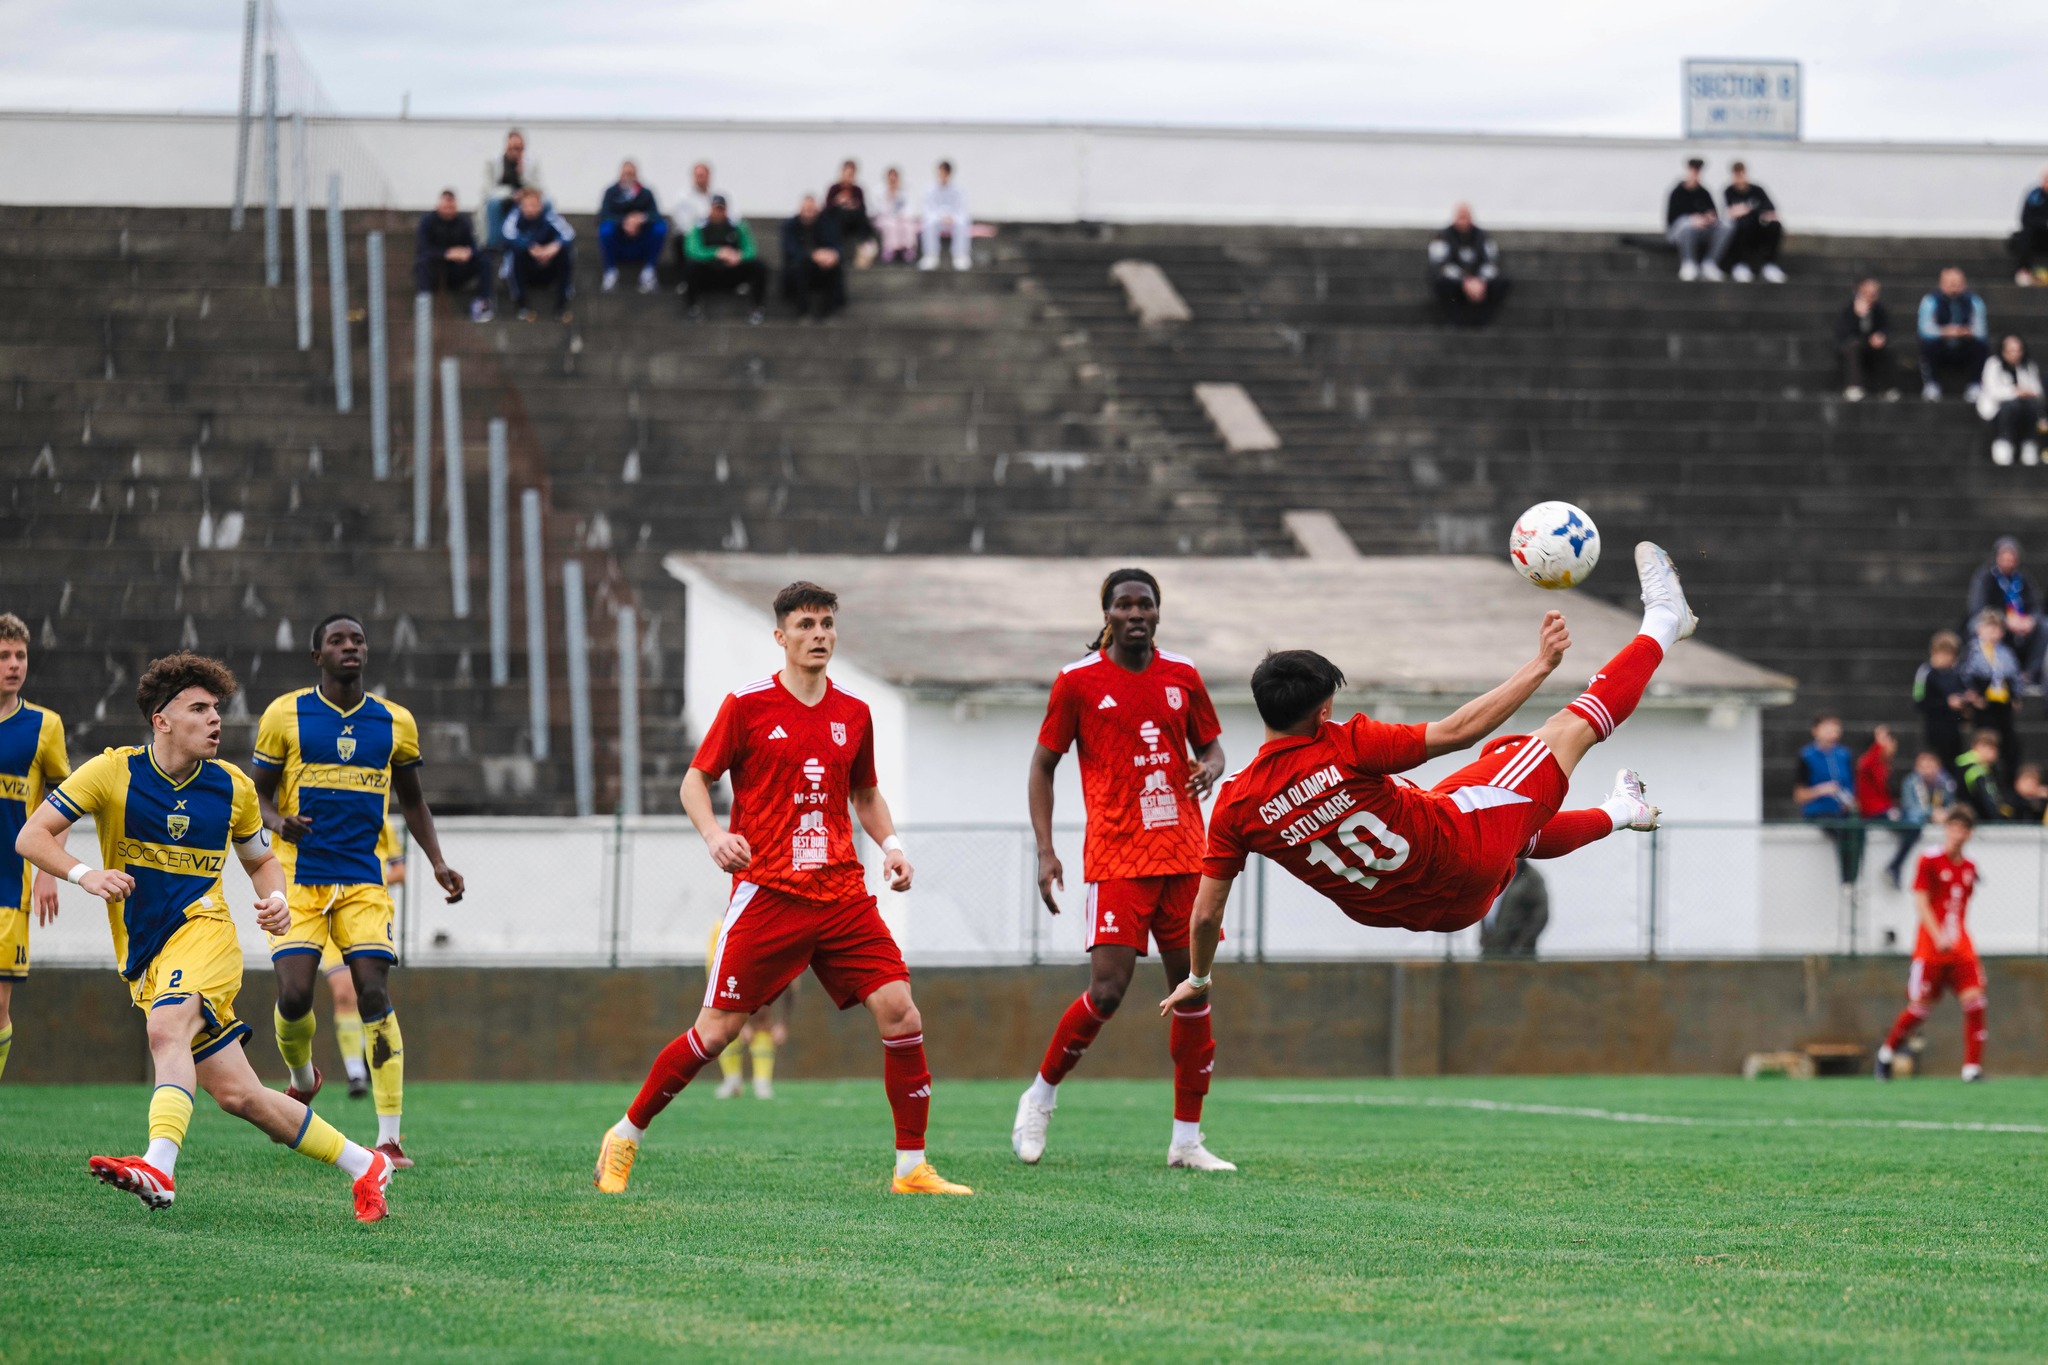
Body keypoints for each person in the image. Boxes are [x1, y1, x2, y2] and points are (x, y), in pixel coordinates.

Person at [1158, 544, 1686, 1028]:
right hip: (1458, 853)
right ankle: (1665, 619)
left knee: (1500, 799)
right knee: (1566, 729)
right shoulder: (1345, 743)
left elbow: (1205, 914)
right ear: (1323, 711)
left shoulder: (1235, 805)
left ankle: (1622, 810)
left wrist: (1198, 979)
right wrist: (1541, 665)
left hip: (1421, 913)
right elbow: (1459, 729)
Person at [596, 581, 971, 1198]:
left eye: (826, 623)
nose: (819, 634)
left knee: (901, 1011)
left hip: (843, 894)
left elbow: (866, 795)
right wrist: (716, 834)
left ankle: (912, 1168)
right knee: (717, 1033)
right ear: (781, 637)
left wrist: (894, 847)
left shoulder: (855, 714)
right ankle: (625, 1134)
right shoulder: (746, 706)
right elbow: (695, 782)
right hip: (768, 893)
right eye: (805, 625)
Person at [13, 652, 391, 1219]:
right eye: (198, 708)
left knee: (167, 1030)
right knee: (243, 1097)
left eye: (217, 708)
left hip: (205, 933)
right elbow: (32, 835)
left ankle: (159, 1168)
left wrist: (278, 901)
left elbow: (262, 863)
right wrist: (86, 875)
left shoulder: (233, 788)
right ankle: (367, 1166)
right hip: (145, 953)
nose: (215, 719)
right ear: (161, 720)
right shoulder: (112, 771)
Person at [1012, 570, 1231, 1173]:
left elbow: (1212, 746)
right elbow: (1042, 766)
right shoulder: (1077, 682)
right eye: (1125, 604)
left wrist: (1209, 768)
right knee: (1107, 992)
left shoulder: (1182, 674)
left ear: (1159, 612)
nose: (1137, 613)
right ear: (1107, 613)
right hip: (1117, 858)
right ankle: (1041, 1096)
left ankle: (1187, 1139)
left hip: (1186, 855)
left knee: (1192, 990)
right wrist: (1046, 850)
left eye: (1146, 604)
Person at [253, 614, 465, 1168]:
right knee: (295, 996)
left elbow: (413, 800)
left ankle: (389, 1138)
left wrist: (438, 863)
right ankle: (304, 1078)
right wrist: (279, 824)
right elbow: (256, 798)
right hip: (298, 879)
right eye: (336, 641)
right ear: (316, 655)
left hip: (364, 883)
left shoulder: (394, 722)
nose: (350, 647)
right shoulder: (285, 715)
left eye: (358, 640)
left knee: (372, 991)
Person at [0, 613, 68, 1083]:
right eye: (4, 655)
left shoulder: (45, 725)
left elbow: (64, 804)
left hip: (8, 884)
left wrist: (48, 871)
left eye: (20, 655)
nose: (13, 664)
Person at [1875, 807, 1988, 1082]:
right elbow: (1921, 901)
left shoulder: (1970, 867)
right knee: (1920, 1009)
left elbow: (1959, 909)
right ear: (1946, 829)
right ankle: (1886, 1053)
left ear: (1969, 834)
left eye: (1963, 828)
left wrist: (1956, 936)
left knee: (1976, 1003)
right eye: (1953, 827)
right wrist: (1938, 936)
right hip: (1931, 950)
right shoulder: (1929, 860)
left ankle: (1971, 1069)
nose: (1957, 833)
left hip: (1961, 949)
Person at [317, 811, 406, 1099]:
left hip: (366, 914)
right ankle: (355, 1072)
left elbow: (399, 871)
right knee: (344, 993)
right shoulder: (319, 811)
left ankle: (373, 1060)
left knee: (370, 993)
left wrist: (363, 880)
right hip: (328, 912)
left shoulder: (381, 819)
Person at [709, 915, 794, 1101]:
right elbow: (723, 978)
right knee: (725, 1021)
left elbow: (792, 984)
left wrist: (783, 1023)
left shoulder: (787, 939)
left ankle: (762, 1082)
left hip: (753, 977)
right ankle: (732, 1080)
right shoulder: (733, 935)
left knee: (763, 1019)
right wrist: (742, 1023)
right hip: (731, 977)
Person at [1795, 713, 1862, 885]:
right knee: (1840, 830)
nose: (1832, 733)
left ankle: (1853, 877)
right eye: (1827, 728)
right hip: (1819, 811)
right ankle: (1845, 878)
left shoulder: (1844, 755)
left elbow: (1851, 786)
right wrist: (1821, 790)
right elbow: (1799, 795)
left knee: (1858, 830)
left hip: (1841, 810)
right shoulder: (1806, 756)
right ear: (1815, 731)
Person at [1966, 537, 2045, 678]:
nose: (2009, 562)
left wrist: (2030, 620)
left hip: (2023, 623)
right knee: (1978, 626)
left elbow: (2036, 607)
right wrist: (2005, 619)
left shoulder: (2024, 579)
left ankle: (2031, 673)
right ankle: (1986, 673)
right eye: (2005, 557)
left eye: (2012, 558)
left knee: (2044, 626)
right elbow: (1978, 607)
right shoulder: (1985, 577)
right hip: (1995, 620)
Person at [681, 196, 768, 323]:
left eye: (721, 209)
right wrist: (716, 253)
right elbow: (692, 250)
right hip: (708, 274)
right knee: (691, 265)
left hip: (732, 273)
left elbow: (751, 249)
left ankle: (757, 308)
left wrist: (738, 256)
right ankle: (692, 307)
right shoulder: (699, 227)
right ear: (710, 209)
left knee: (759, 266)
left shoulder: (738, 227)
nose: (718, 212)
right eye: (716, 209)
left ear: (726, 210)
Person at [1959, 609, 2023, 782]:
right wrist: (1972, 695)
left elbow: (2015, 675)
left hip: (2002, 703)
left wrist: (2016, 695)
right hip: (1984, 704)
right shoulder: (1972, 650)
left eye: (1997, 628)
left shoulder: (2006, 652)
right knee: (1986, 738)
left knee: (2008, 743)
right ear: (1979, 629)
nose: (1993, 632)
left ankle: (2007, 779)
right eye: (1989, 628)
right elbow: (1964, 674)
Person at [414, 189, 494, 322]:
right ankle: (424, 304)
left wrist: (466, 253)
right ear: (438, 205)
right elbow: (423, 249)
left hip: (457, 270)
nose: (448, 210)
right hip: (435, 271)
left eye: (451, 207)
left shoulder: (463, 222)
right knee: (423, 262)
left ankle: (483, 303)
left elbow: (473, 246)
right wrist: (446, 254)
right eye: (445, 207)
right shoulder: (428, 222)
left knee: (484, 259)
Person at [1427, 203, 1509, 327]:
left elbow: (1492, 262)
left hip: (1480, 284)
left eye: (1466, 216)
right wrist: (1465, 281)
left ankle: (1484, 322)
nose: (1463, 220)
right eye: (1460, 216)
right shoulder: (1443, 236)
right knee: (1441, 283)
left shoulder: (1482, 236)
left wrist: (1480, 281)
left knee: (1503, 282)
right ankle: (1454, 322)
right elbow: (1440, 264)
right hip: (1455, 283)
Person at [502, 186, 576, 322]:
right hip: (526, 268)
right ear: (521, 206)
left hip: (548, 265)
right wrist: (530, 248)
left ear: (540, 205)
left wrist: (554, 247)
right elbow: (508, 235)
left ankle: (561, 306)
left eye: (534, 205)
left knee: (566, 252)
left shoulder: (549, 216)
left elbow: (568, 234)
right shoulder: (515, 216)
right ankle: (522, 306)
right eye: (526, 205)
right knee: (515, 253)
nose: (530, 209)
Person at [1885, 751, 1955, 888]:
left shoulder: (1946, 782)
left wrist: (1944, 814)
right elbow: (1910, 806)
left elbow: (1950, 803)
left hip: (1939, 821)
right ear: (1917, 768)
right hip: (1916, 820)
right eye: (1924, 767)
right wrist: (1932, 813)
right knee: (1913, 822)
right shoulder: (1910, 782)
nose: (1928, 771)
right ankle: (1895, 866)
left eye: (1931, 766)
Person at [1917, 268, 1989, 401]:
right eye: (1950, 283)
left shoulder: (1974, 301)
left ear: (1964, 284)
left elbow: (1981, 331)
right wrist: (1946, 332)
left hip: (1964, 346)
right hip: (1941, 347)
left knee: (1981, 345)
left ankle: (1975, 384)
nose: (1953, 287)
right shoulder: (1930, 301)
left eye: (1957, 283)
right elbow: (1925, 329)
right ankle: (1932, 385)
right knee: (1928, 344)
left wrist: (1963, 332)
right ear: (1941, 284)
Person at [597, 160, 667, 295]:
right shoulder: (611, 192)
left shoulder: (646, 193)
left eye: (631, 173)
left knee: (660, 228)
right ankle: (610, 272)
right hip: (619, 242)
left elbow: (656, 215)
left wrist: (641, 219)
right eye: (625, 173)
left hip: (641, 242)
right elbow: (603, 215)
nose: (628, 176)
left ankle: (649, 272)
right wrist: (625, 221)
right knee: (605, 229)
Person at [1977, 335, 2045, 467]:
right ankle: (2004, 442)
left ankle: (2029, 444)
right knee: (2011, 405)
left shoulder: (2029, 366)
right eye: (2011, 351)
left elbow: (2037, 390)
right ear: (2003, 351)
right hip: (1998, 410)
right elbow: (1993, 391)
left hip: (2025, 410)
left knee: (2030, 405)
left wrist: (2026, 393)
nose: (2015, 354)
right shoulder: (1993, 365)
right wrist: (2015, 392)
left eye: (2018, 350)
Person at [1665, 158, 1734, 282]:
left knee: (1726, 225)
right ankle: (1688, 263)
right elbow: (1672, 220)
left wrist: (1707, 219)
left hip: (1702, 230)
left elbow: (1714, 214)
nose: (1695, 175)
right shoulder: (1677, 192)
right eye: (1693, 171)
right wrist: (1692, 219)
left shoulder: (1704, 193)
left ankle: (1710, 263)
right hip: (1679, 232)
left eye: (1698, 171)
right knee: (1687, 224)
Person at [782, 195, 846, 321]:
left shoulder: (825, 223)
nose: (809, 212)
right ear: (800, 210)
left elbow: (836, 245)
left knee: (835, 268)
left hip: (821, 269)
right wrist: (813, 255)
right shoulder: (790, 226)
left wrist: (832, 255)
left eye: (811, 209)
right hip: (798, 269)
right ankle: (803, 312)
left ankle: (828, 311)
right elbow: (790, 250)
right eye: (806, 209)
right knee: (801, 267)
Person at [1913, 631, 1968, 777]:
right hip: (1934, 729)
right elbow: (1919, 701)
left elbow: (1962, 692)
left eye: (1951, 655)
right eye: (1944, 654)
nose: (1948, 659)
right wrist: (1946, 703)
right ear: (1934, 652)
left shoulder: (1955, 674)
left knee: (1954, 764)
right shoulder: (1926, 672)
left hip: (1953, 728)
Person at [1721, 162, 1786, 283]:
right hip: (1742, 231)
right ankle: (1740, 264)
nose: (1740, 177)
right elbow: (1730, 212)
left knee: (1774, 225)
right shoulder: (1729, 191)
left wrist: (1746, 210)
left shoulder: (1757, 190)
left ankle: (1770, 265)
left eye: (1742, 173)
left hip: (1759, 229)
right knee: (1743, 225)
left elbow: (1770, 210)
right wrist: (1750, 210)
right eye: (1737, 174)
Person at [1836, 277, 1894, 401]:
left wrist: (1881, 336)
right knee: (1853, 346)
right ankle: (1854, 386)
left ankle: (1886, 388)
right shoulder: (1849, 308)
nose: (1870, 297)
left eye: (1873, 294)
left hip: (1872, 346)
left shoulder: (1879, 309)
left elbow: (1886, 328)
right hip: (1853, 344)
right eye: (1866, 293)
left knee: (1888, 349)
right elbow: (1845, 334)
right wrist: (1858, 317)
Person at [1479, 860, 1548, 959]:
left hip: (1519, 955)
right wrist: (1484, 938)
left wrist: (1521, 945)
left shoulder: (1531, 877)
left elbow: (1540, 914)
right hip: (1490, 950)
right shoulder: (1492, 873)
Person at [484, 128, 535, 251]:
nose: (515, 152)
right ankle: (495, 244)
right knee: (493, 203)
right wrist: (512, 194)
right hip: (503, 200)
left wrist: (523, 174)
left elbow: (538, 188)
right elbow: (489, 190)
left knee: (547, 202)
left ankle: (539, 239)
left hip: (526, 200)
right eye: (512, 148)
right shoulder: (494, 163)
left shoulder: (531, 163)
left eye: (519, 148)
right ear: (506, 147)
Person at [919, 161, 973, 272]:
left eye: (944, 173)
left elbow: (961, 208)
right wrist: (940, 216)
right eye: (940, 173)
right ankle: (931, 256)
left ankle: (960, 255)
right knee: (929, 223)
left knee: (962, 223)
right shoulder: (930, 189)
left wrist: (952, 216)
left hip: (953, 219)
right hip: (936, 219)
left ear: (949, 174)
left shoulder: (958, 190)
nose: (942, 176)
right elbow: (928, 209)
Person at [825, 159, 876, 268]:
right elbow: (827, 209)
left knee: (861, 218)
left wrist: (854, 205)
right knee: (838, 216)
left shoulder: (858, 190)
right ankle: (837, 251)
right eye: (847, 174)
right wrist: (837, 201)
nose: (849, 177)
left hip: (853, 222)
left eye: (852, 175)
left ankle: (864, 247)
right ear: (842, 173)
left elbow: (863, 209)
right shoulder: (834, 189)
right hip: (838, 221)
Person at [1956, 729, 2011, 821]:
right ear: (1976, 747)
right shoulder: (1975, 770)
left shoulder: (1984, 768)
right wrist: (1997, 819)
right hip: (1972, 819)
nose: (1994, 753)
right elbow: (1987, 800)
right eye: (1990, 748)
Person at [871, 166, 918, 265]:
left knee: (908, 225)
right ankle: (890, 251)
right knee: (891, 225)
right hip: (885, 218)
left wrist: (900, 215)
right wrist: (889, 195)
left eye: (895, 178)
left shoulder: (904, 190)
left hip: (901, 218)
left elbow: (908, 208)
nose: (892, 180)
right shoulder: (880, 191)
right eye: (890, 178)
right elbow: (879, 209)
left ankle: (907, 250)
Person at [2009, 170, 2048, 286]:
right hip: (2037, 234)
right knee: (2024, 235)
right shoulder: (2034, 196)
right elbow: (2025, 219)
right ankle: (2024, 271)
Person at [673, 161, 720, 234]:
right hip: (691, 236)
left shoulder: (716, 196)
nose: (700, 179)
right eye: (698, 176)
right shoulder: (684, 198)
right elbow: (683, 224)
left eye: (703, 176)